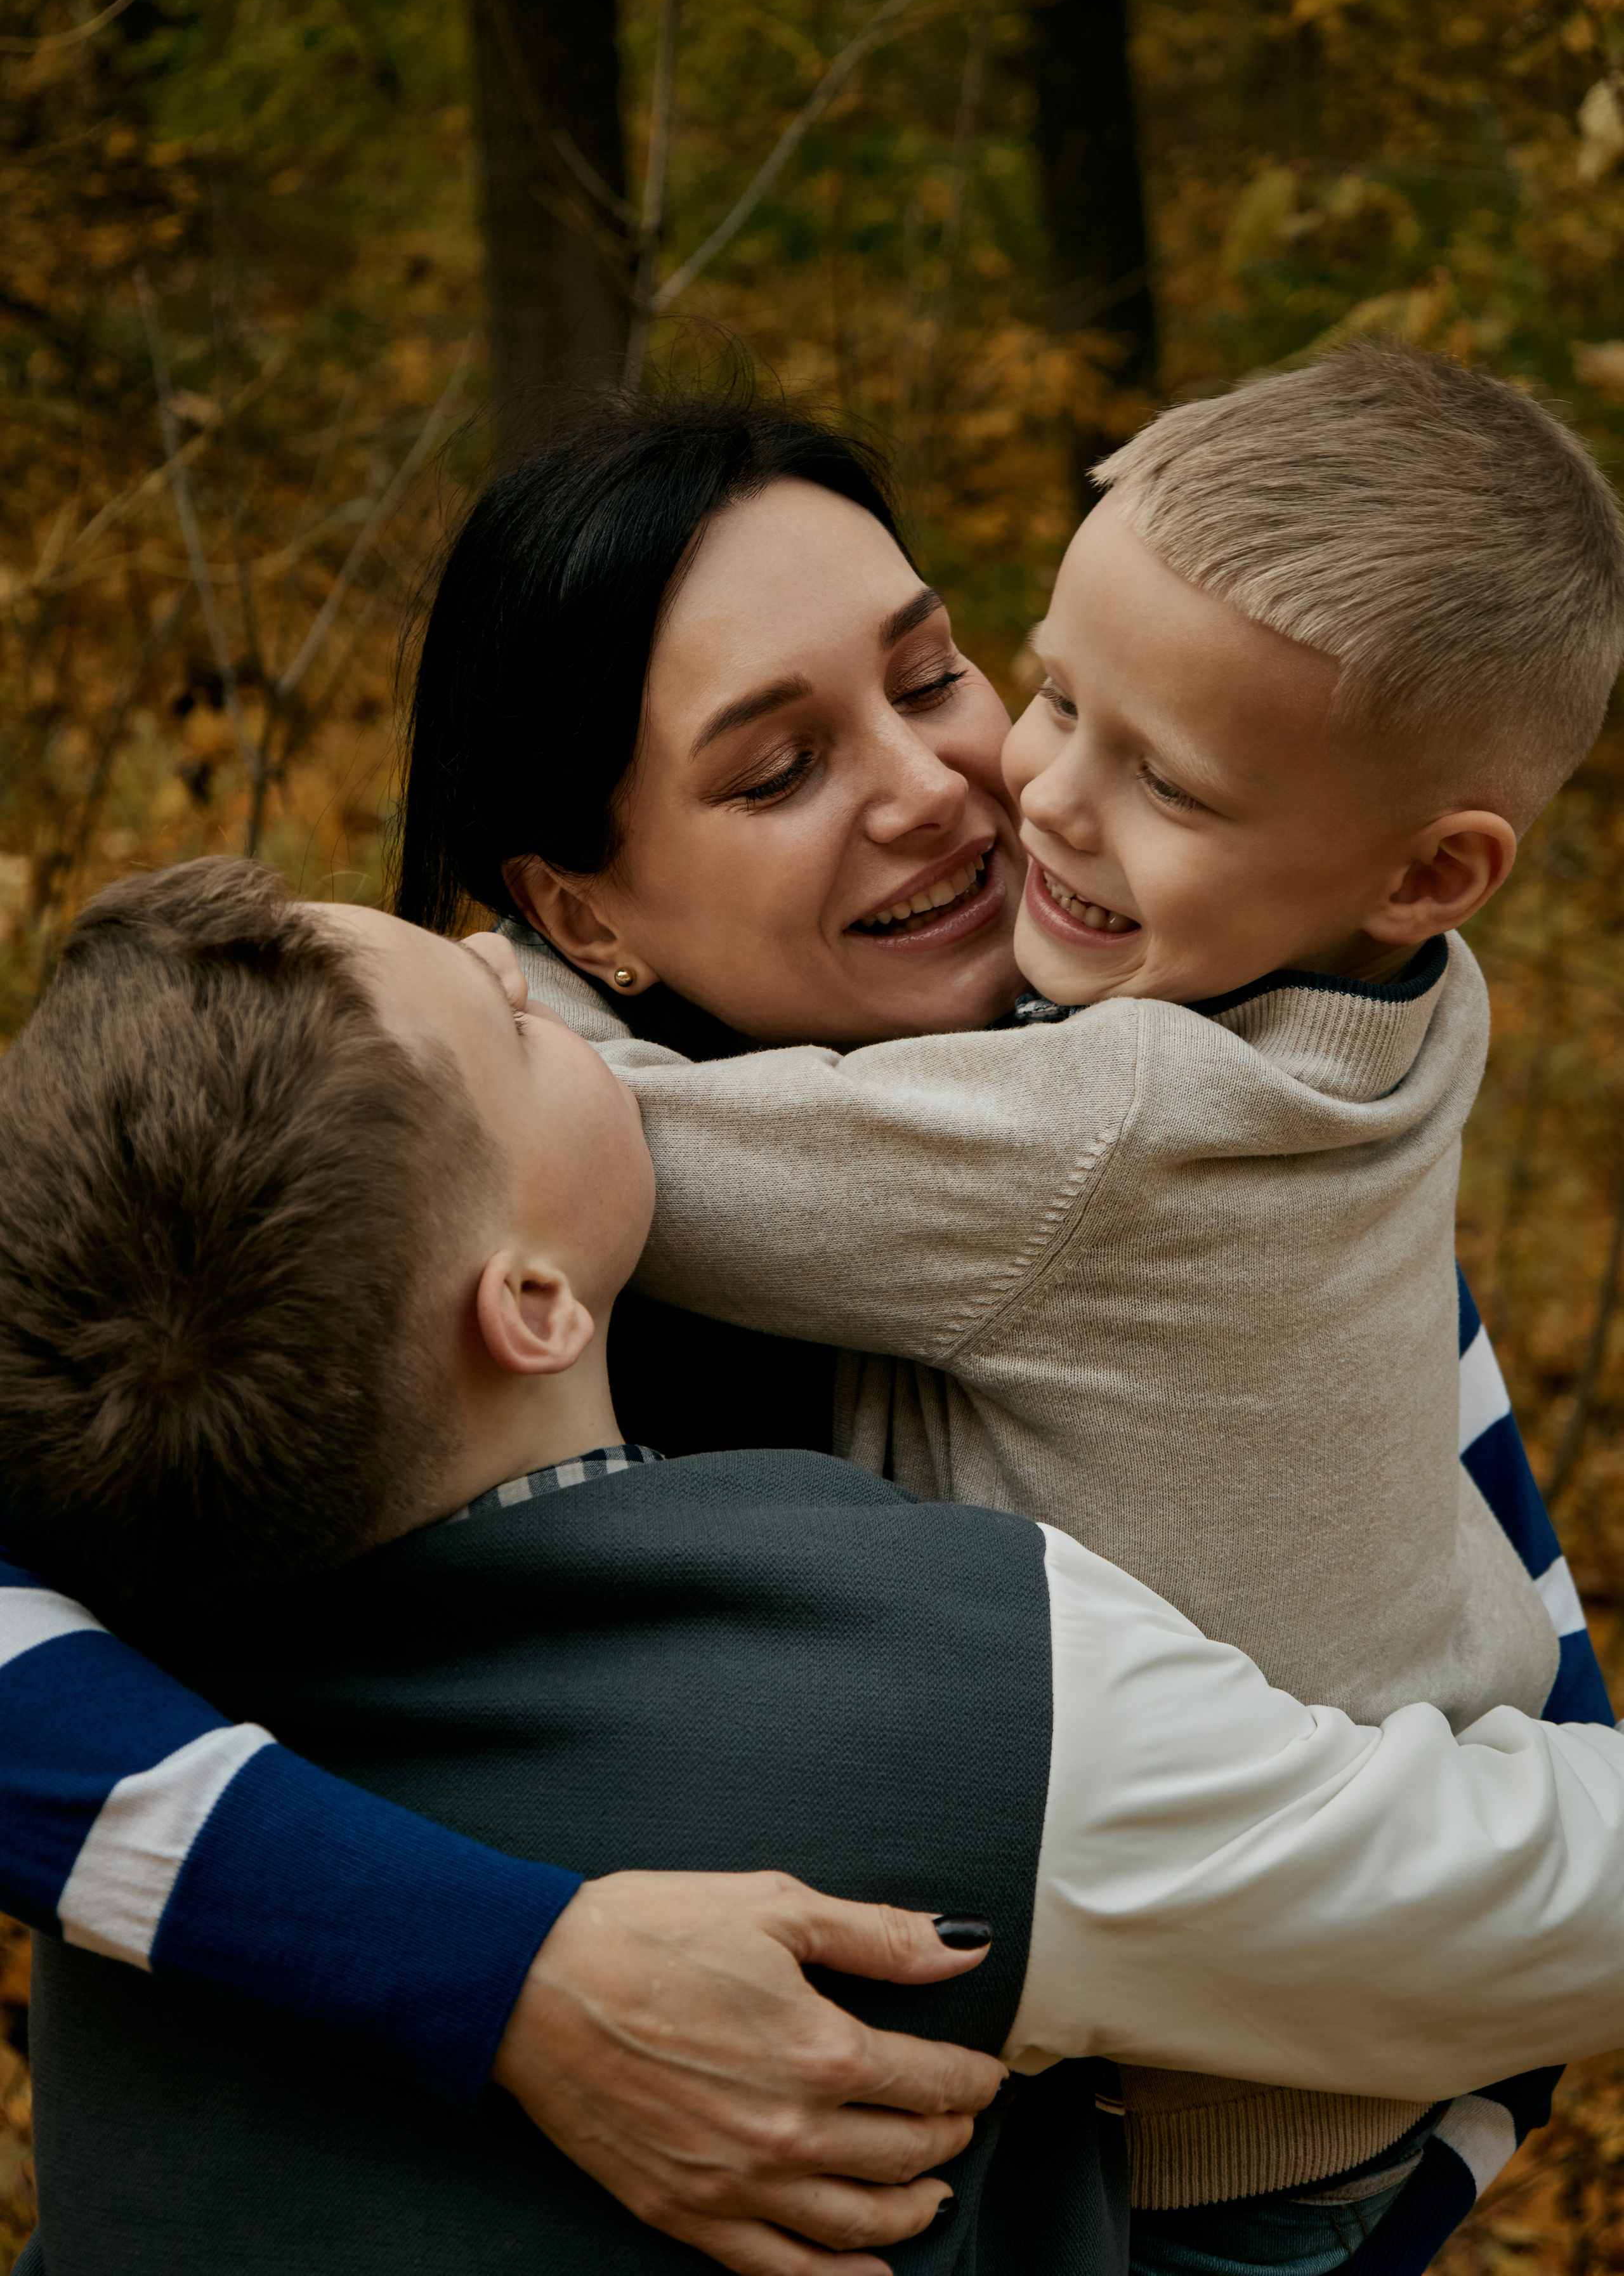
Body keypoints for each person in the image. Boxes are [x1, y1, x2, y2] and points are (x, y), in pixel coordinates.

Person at [0, 388, 1604, 2276]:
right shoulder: (353, 1312)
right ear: (569, 915)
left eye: (934, 675)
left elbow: (1515, 1705)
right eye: (774, 772)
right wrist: (495, 1970)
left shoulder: (1180, 1127)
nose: (953, 788)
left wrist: (1441, 2152)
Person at [485, 350, 1624, 2257]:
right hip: (1369, 2028)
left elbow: (617, 1151)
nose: (1018, 795)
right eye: (1052, 693)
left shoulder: (1111, 1130)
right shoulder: (1383, 1012)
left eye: (1163, 776)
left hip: (1199, 2136)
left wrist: (482, 1004)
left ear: (1435, 869)